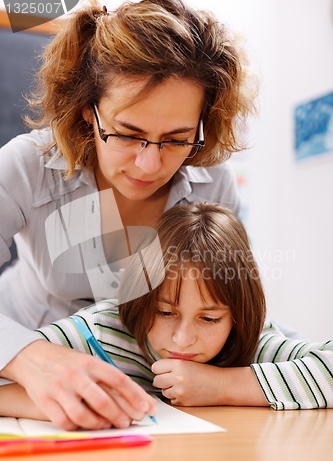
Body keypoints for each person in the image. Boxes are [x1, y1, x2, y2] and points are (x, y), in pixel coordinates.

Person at [0, 0, 257, 430]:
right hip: (25, 369)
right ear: (88, 110)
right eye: (127, 134)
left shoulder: (214, 184)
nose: (148, 166)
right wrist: (29, 357)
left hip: (145, 384)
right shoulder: (26, 166)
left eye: (176, 139)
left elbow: (226, 302)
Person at [0, 204, 332, 422]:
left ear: (238, 315)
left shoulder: (247, 341)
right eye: (164, 312)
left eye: (209, 318)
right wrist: (63, 403)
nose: (183, 340)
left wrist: (225, 385)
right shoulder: (100, 331)